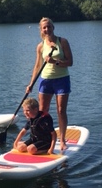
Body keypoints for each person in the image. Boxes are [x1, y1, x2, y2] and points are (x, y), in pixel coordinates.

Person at [26, 17, 73, 151]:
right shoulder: (40, 46)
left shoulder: (62, 42)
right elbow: (37, 66)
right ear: (41, 30)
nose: (47, 29)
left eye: (49, 26)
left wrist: (56, 62)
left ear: (53, 27)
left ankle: (62, 140)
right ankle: (43, 138)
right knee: (42, 112)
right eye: (44, 27)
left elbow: (70, 62)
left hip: (61, 79)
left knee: (60, 110)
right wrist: (30, 84)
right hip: (45, 80)